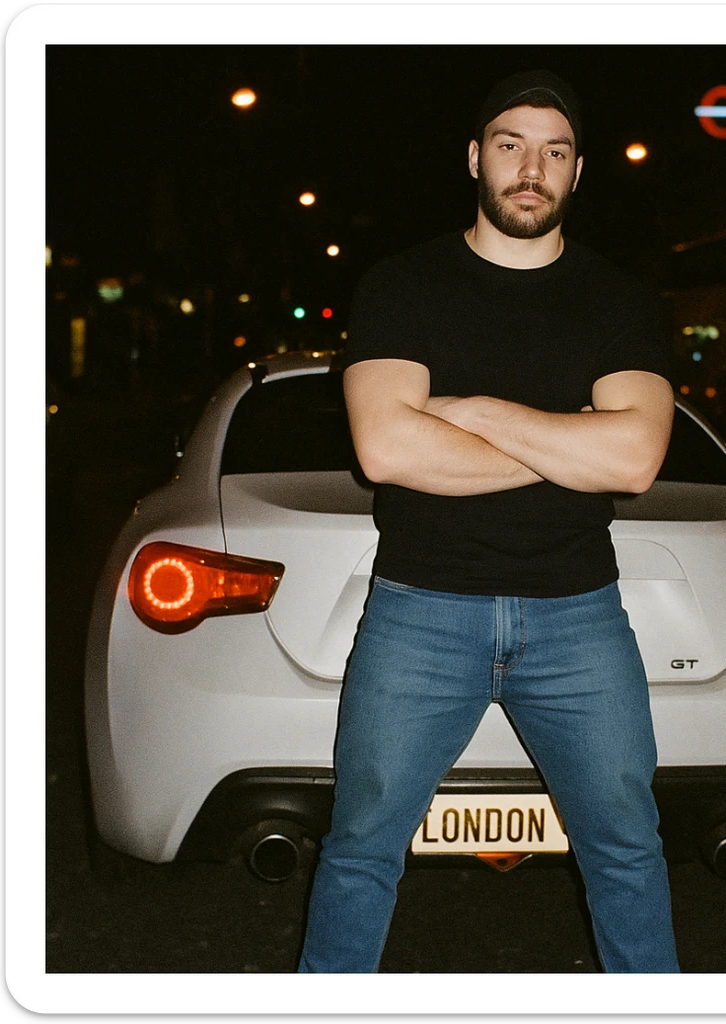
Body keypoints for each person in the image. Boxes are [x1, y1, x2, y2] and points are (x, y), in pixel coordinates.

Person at [298, 69, 680, 974]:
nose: (531, 168)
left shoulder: (620, 300)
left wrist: (467, 410)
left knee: (629, 850)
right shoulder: (402, 285)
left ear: (578, 172)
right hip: (420, 610)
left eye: (555, 151)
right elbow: (388, 449)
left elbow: (634, 462)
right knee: (359, 850)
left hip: (578, 615)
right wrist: (571, 441)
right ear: (475, 157)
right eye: (511, 144)